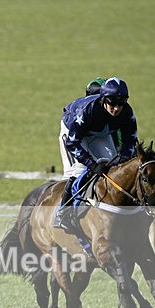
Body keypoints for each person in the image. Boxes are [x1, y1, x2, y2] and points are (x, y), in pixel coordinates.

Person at [54, 77, 138, 231]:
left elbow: (130, 143)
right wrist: (92, 164)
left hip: (99, 133)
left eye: (121, 103)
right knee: (78, 171)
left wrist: (118, 161)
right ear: (103, 99)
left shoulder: (127, 113)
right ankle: (63, 213)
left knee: (112, 168)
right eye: (112, 102)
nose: (116, 108)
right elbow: (72, 142)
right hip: (73, 133)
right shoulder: (87, 110)